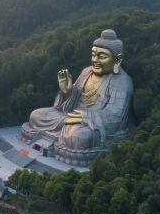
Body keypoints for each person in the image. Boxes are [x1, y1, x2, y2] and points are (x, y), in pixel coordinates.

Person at [21, 29, 134, 164]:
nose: (95, 60)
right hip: (70, 117)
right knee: (36, 115)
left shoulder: (122, 81)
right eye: (93, 55)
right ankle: (65, 135)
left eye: (102, 56)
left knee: (79, 136)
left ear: (117, 59)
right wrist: (67, 91)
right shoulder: (87, 71)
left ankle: (68, 137)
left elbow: (116, 116)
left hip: (90, 125)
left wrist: (87, 116)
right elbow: (74, 100)